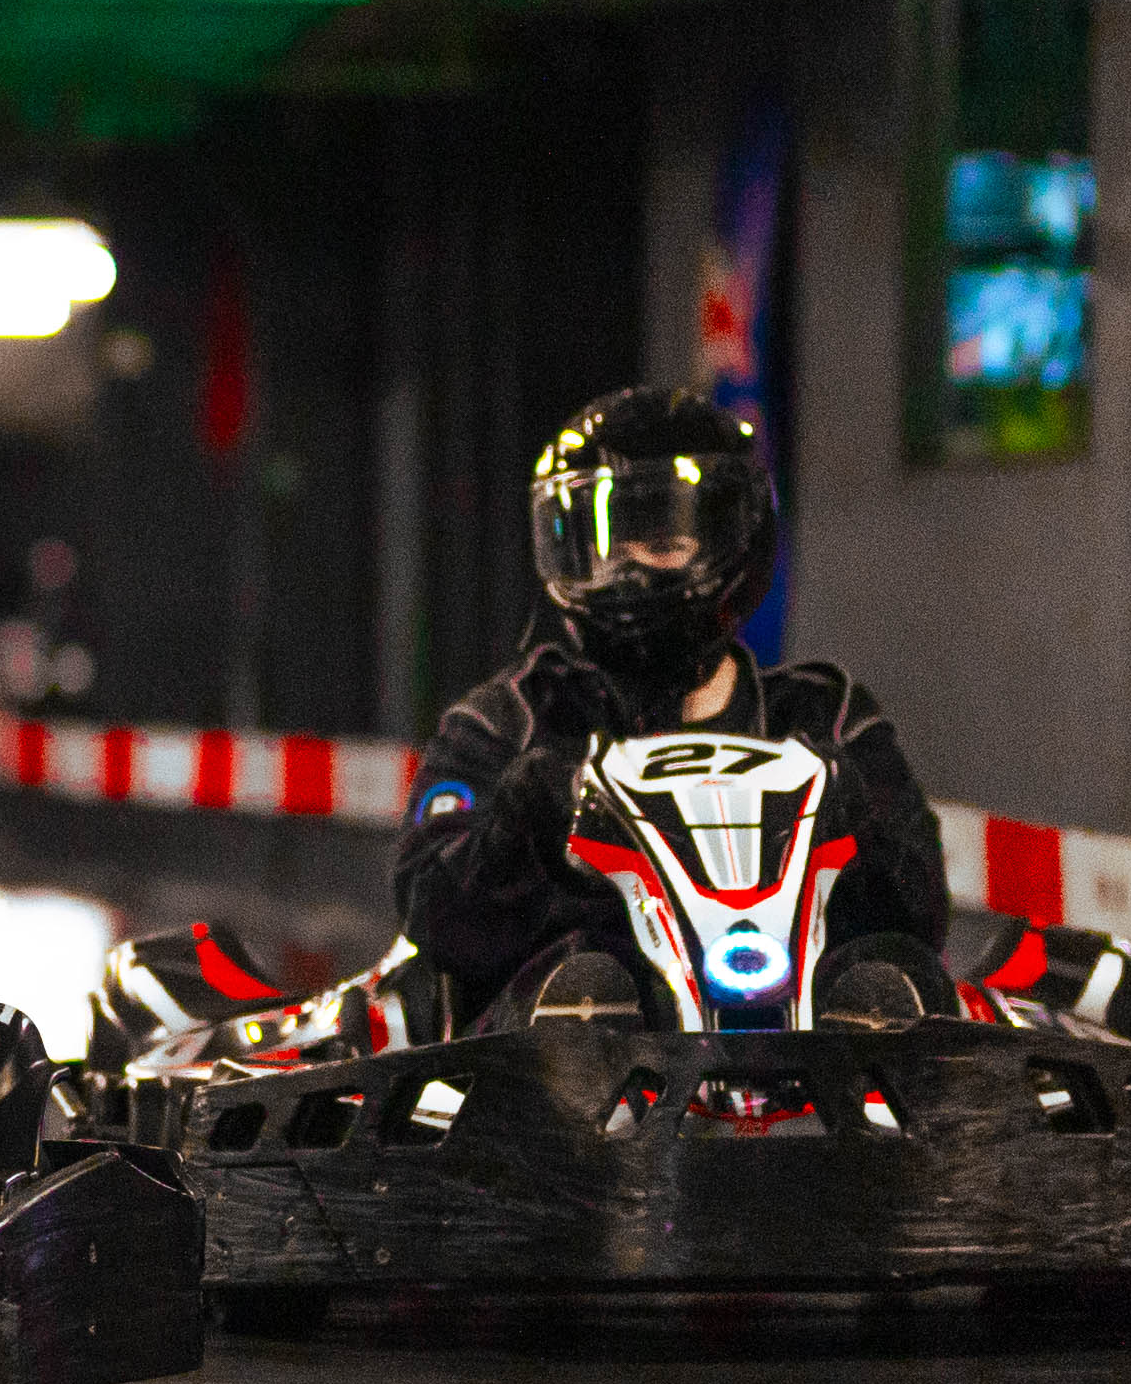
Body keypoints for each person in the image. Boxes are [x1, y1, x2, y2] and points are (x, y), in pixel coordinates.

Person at [389, 386, 950, 1027]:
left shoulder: (824, 714)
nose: (628, 574)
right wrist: (521, 827)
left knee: (894, 983)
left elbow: (922, 916)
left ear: (734, 540)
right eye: (607, 552)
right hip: (585, 1093)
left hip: (808, 1067)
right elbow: (430, 918)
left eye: (659, 545)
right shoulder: (512, 720)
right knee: (587, 986)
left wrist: (858, 821)